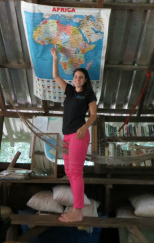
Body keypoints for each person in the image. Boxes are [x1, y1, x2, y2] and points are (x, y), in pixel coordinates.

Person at [51, 45, 97, 222]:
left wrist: (84, 128)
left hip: (79, 135)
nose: (77, 79)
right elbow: (56, 76)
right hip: (67, 136)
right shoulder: (69, 91)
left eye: (81, 77)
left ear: (85, 80)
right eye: (76, 76)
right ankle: (76, 208)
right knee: (69, 173)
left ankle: (78, 212)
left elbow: (94, 116)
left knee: (76, 172)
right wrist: (55, 58)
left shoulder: (88, 95)